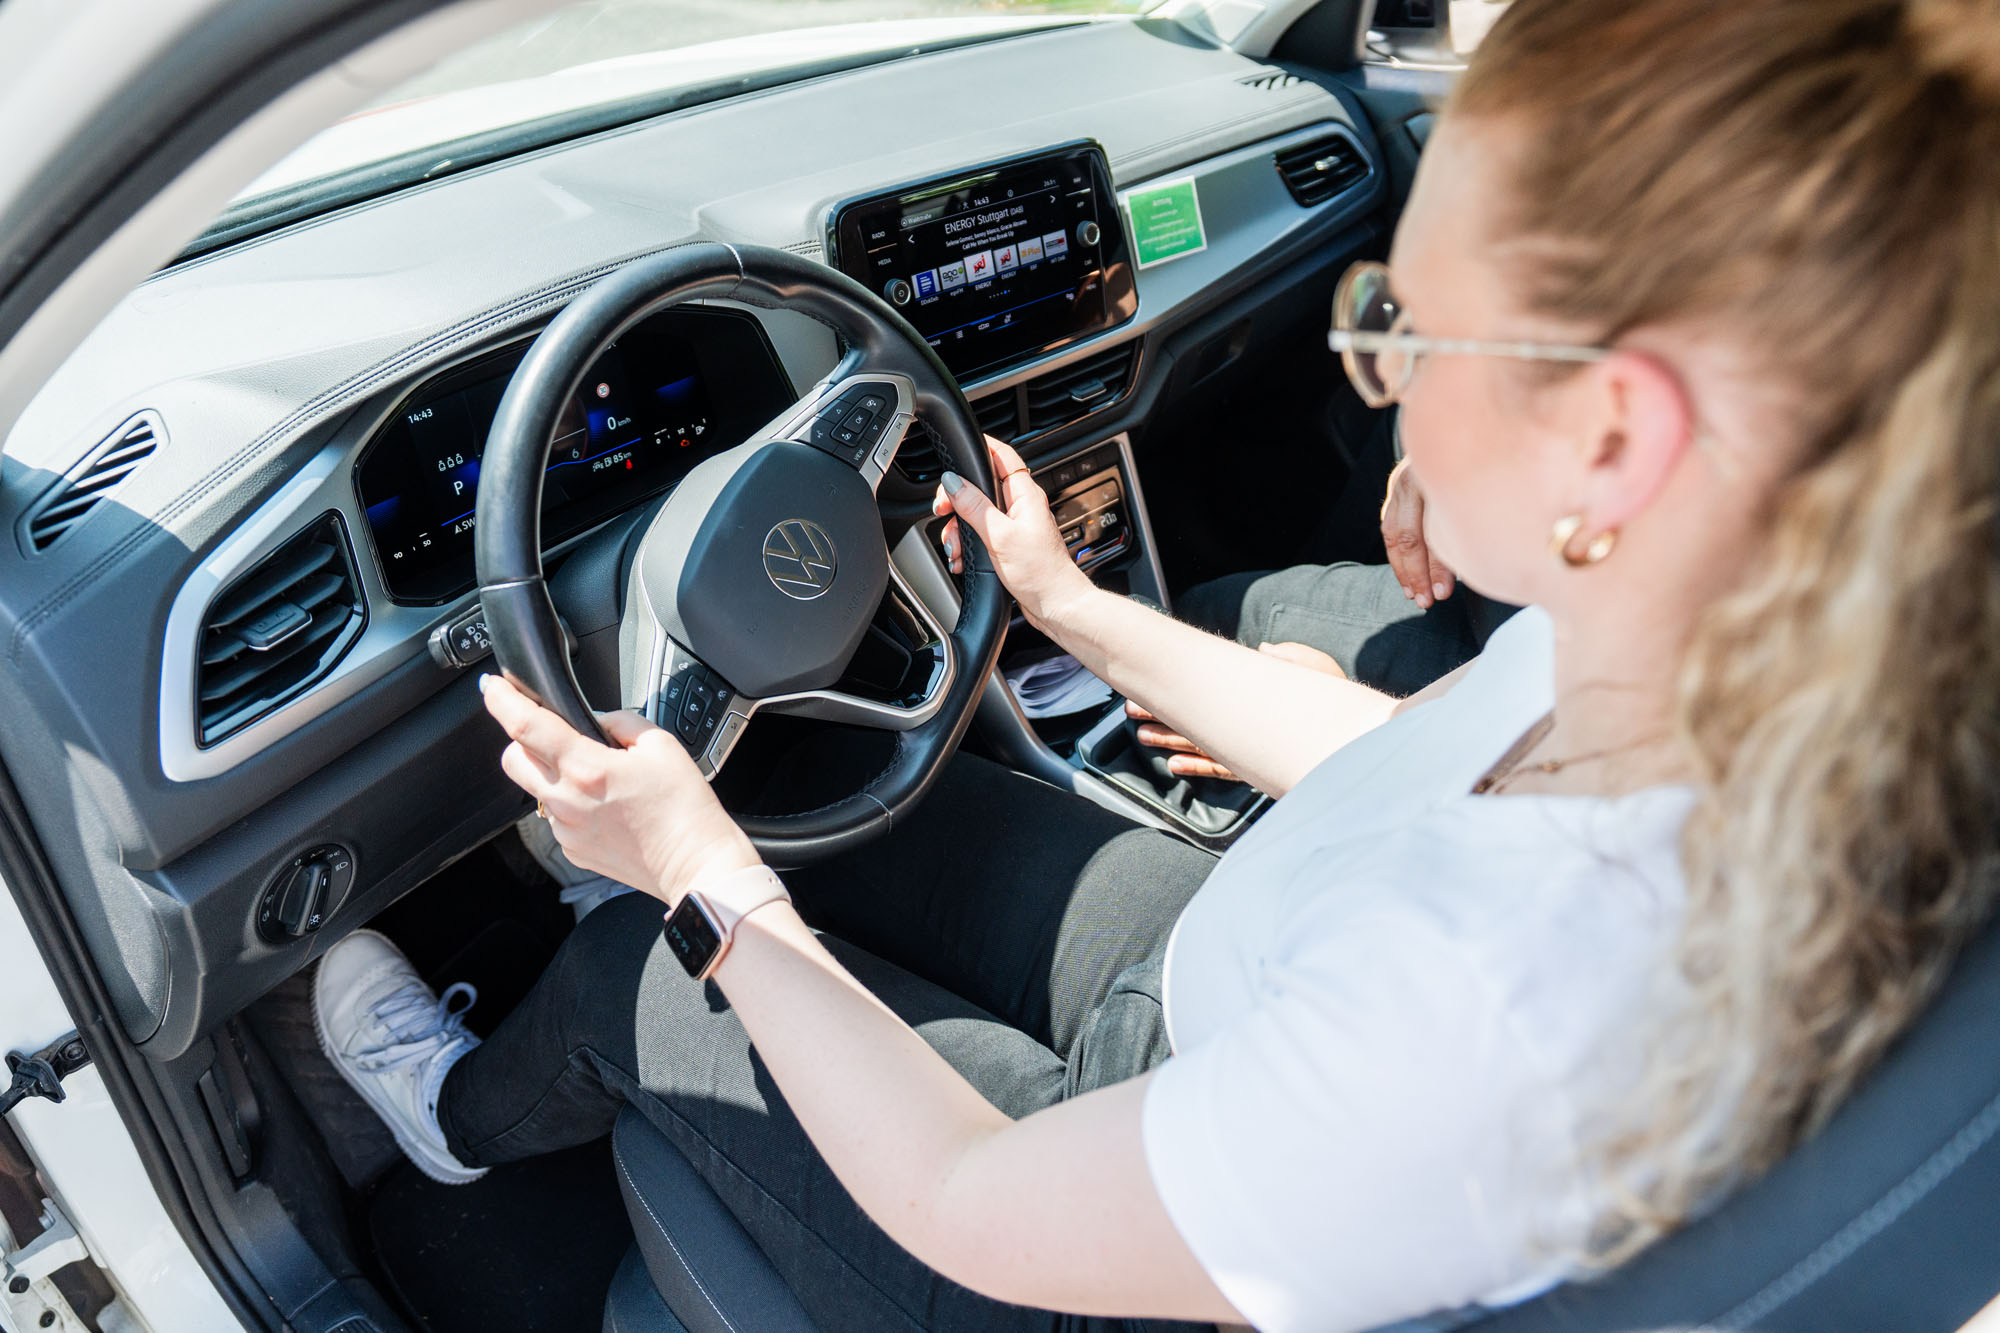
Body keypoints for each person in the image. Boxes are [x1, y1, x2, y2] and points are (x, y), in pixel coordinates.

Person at [312, 2, 2000, 1330]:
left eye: (1403, 325)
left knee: (635, 967)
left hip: (1094, 1261)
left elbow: (971, 1195)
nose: (1378, 372)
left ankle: (456, 1113)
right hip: (1236, 979)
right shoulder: (1717, 648)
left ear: (1614, 437)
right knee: (853, 825)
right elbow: (1389, 755)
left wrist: (690, 868)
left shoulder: (1484, 1020)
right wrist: (1068, 605)